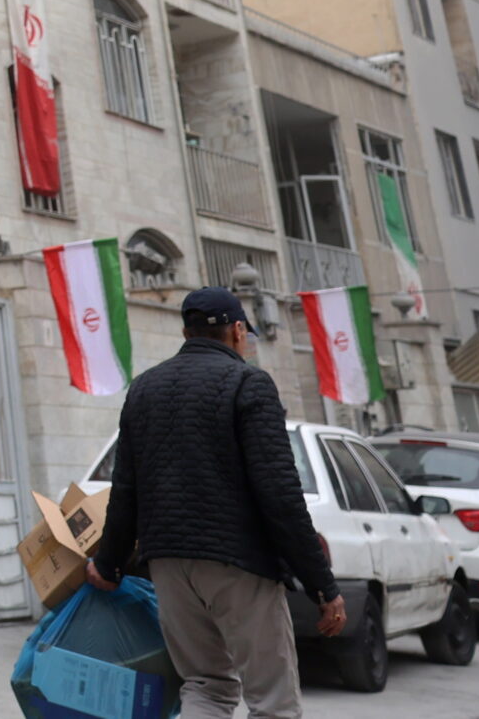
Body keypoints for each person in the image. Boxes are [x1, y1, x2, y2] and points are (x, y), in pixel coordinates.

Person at [86, 287, 345, 719]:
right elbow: (279, 493)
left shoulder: (144, 388)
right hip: (238, 562)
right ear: (238, 331)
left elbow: (125, 489)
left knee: (205, 685)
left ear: (185, 332)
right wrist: (321, 586)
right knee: (272, 700)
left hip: (168, 563)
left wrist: (109, 563)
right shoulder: (248, 383)